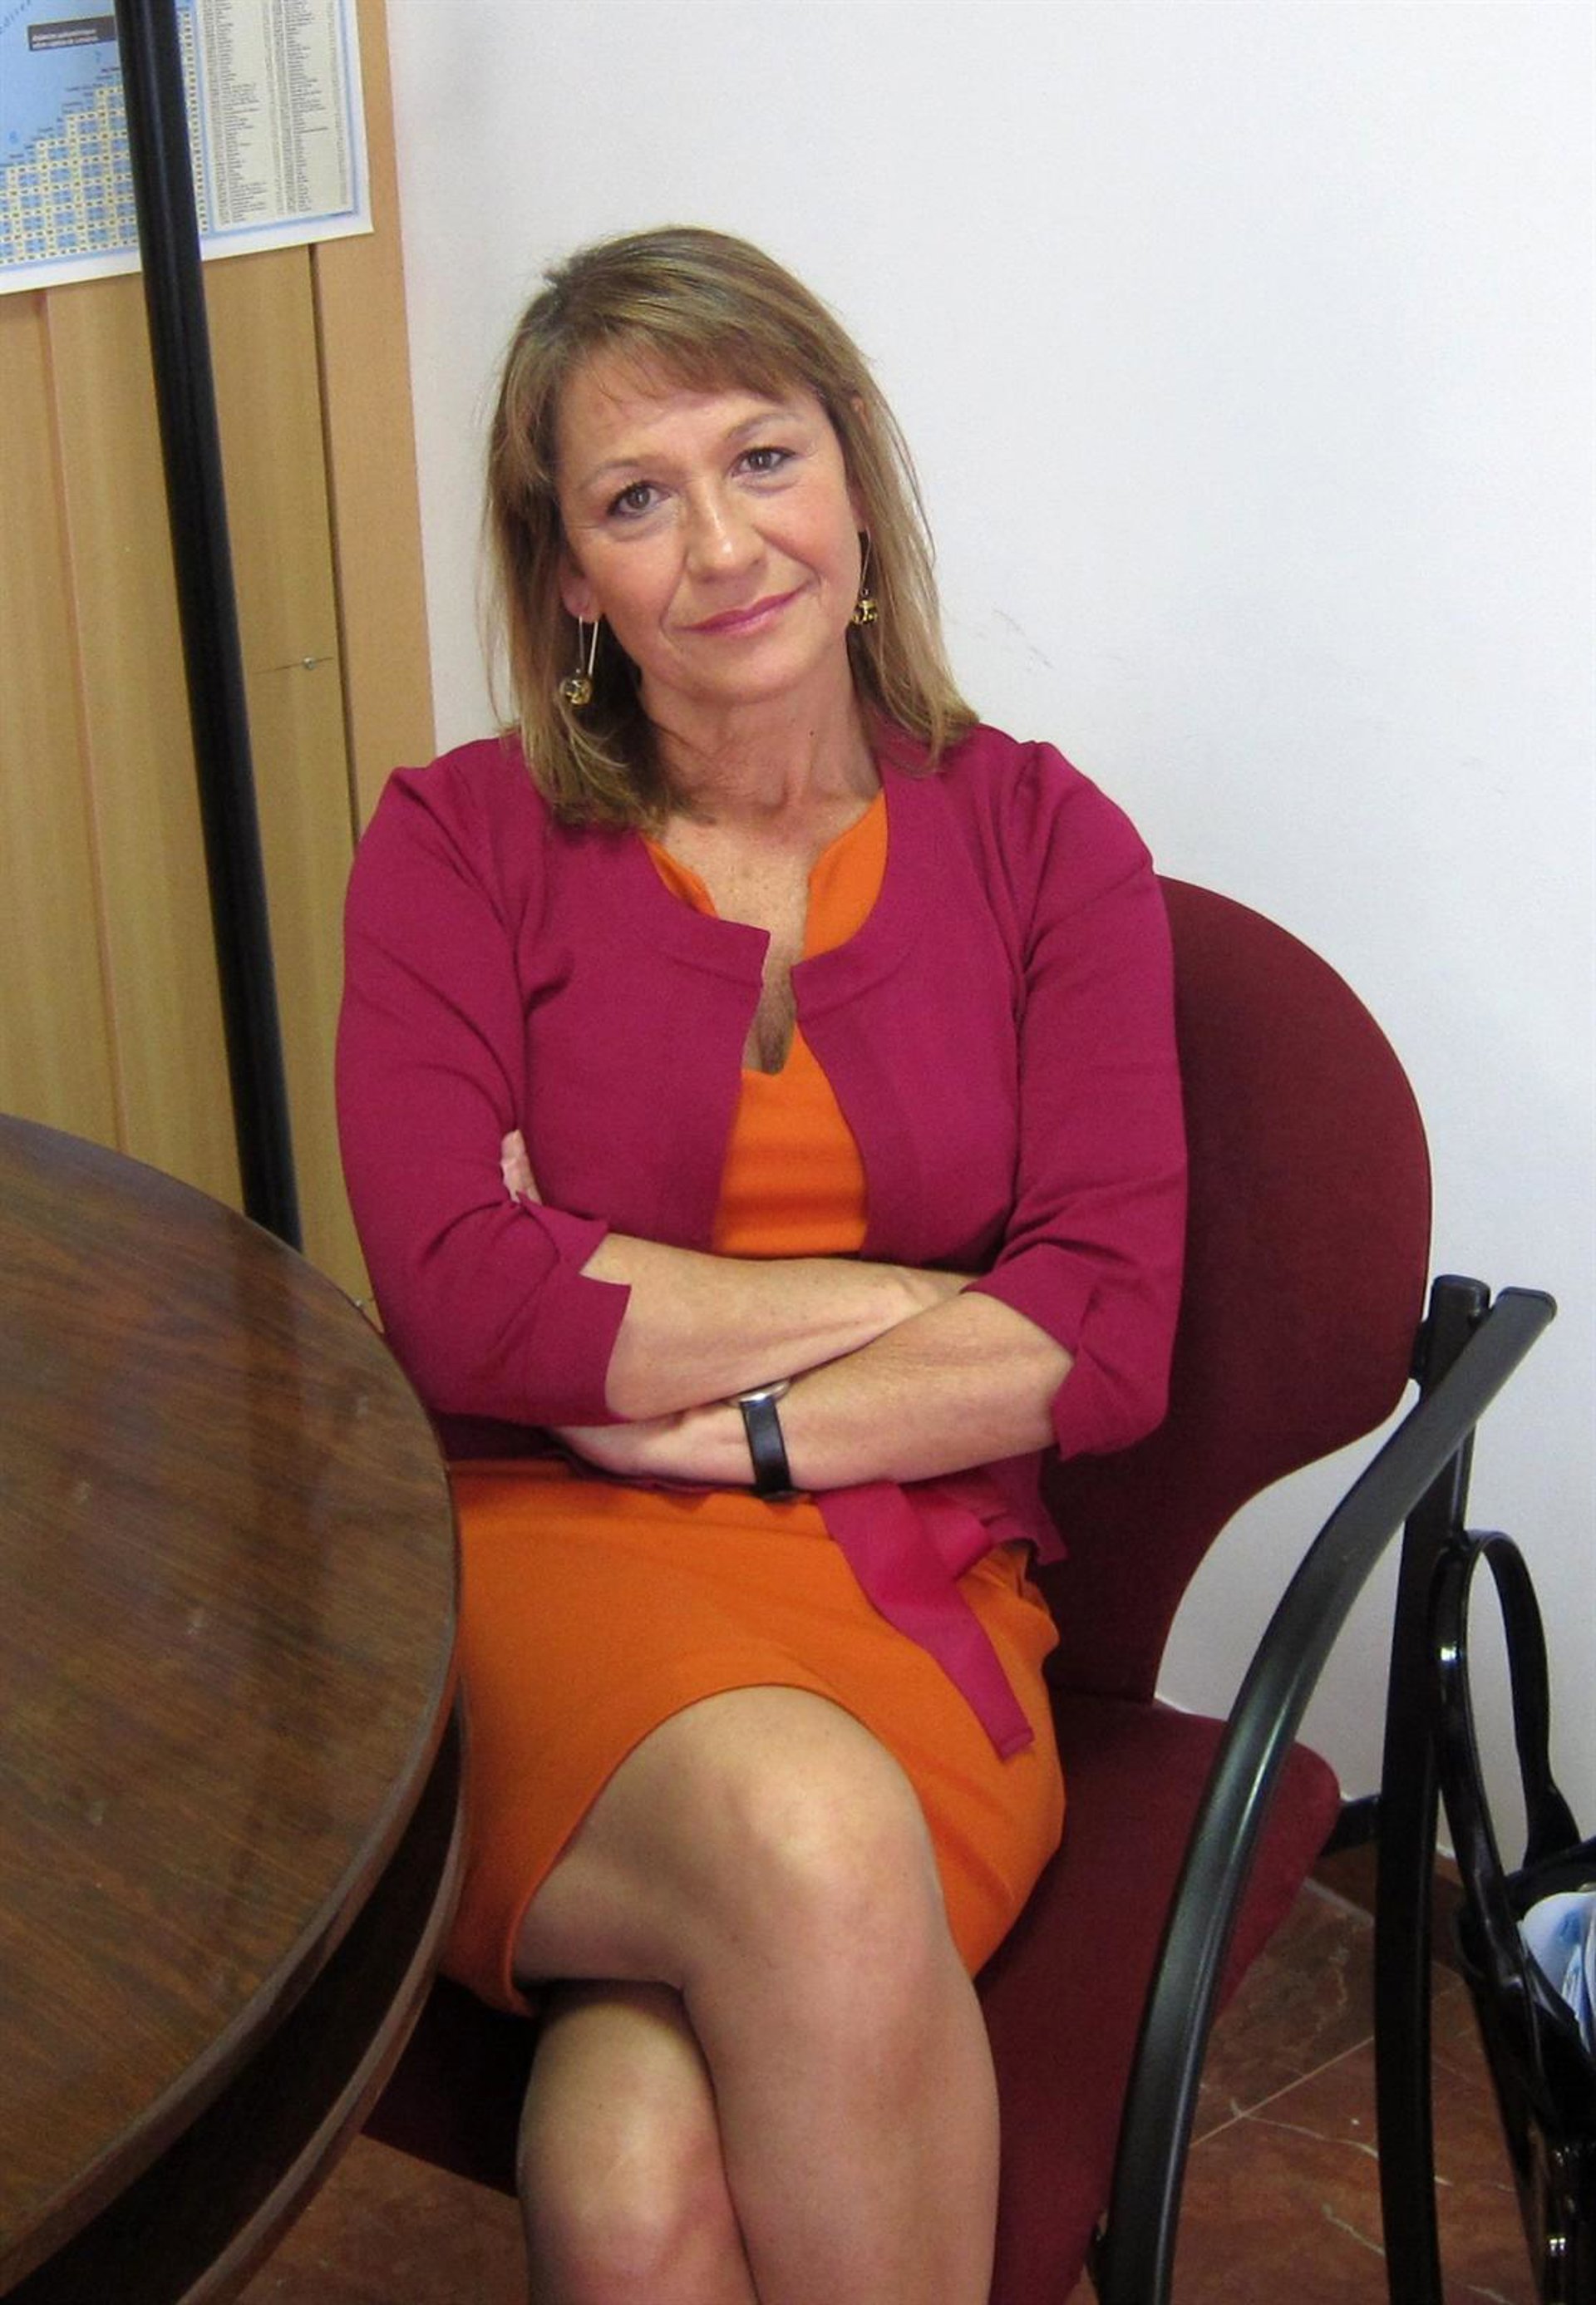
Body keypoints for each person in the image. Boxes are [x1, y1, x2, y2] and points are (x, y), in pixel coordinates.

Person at [337, 225, 1186, 2305]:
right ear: (567, 575)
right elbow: (461, 1298)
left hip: (911, 1584)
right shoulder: (453, 846)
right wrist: (936, 1303)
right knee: (804, 1841)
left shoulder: (1047, 841)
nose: (722, 546)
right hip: (537, 1563)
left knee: (635, 2187)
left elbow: (1112, 1335)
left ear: (852, 473)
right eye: (636, 498)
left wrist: (711, 1405)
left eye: (762, 458)